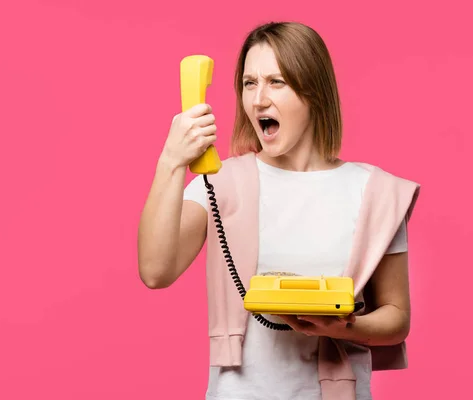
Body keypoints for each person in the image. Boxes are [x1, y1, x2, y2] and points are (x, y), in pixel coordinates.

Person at [138, 21, 419, 400]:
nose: (258, 100)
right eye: (249, 83)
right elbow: (155, 270)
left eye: (276, 82)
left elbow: (397, 316)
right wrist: (171, 161)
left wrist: (338, 328)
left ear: (313, 92)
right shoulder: (221, 183)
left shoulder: (376, 192)